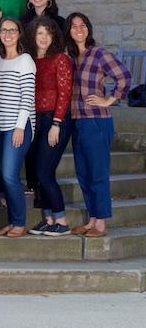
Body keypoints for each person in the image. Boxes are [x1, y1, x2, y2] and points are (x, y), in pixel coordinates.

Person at [65, 12, 131, 238]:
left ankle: (101, 223)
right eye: (74, 26)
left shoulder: (99, 54)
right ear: (68, 31)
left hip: (96, 121)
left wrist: (109, 100)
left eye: (82, 25)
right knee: (83, 174)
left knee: (97, 173)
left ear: (88, 29)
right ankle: (92, 219)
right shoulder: (72, 59)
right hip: (77, 122)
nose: (79, 29)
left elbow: (124, 77)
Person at [0, 17, 36, 238]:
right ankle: (10, 221)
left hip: (16, 128)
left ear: (19, 34)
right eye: (4, 30)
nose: (7, 34)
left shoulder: (25, 60)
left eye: (12, 30)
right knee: (3, 176)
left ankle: (19, 223)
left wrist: (19, 127)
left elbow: (27, 97)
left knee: (9, 175)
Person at [24, 17, 73, 236]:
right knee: (37, 173)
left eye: (48, 33)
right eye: (39, 33)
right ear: (33, 36)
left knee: (45, 172)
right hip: (35, 120)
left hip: (55, 120)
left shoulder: (60, 59)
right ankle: (49, 218)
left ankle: (61, 220)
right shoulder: (29, 60)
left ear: (54, 36)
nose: (44, 37)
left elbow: (65, 94)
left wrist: (56, 123)